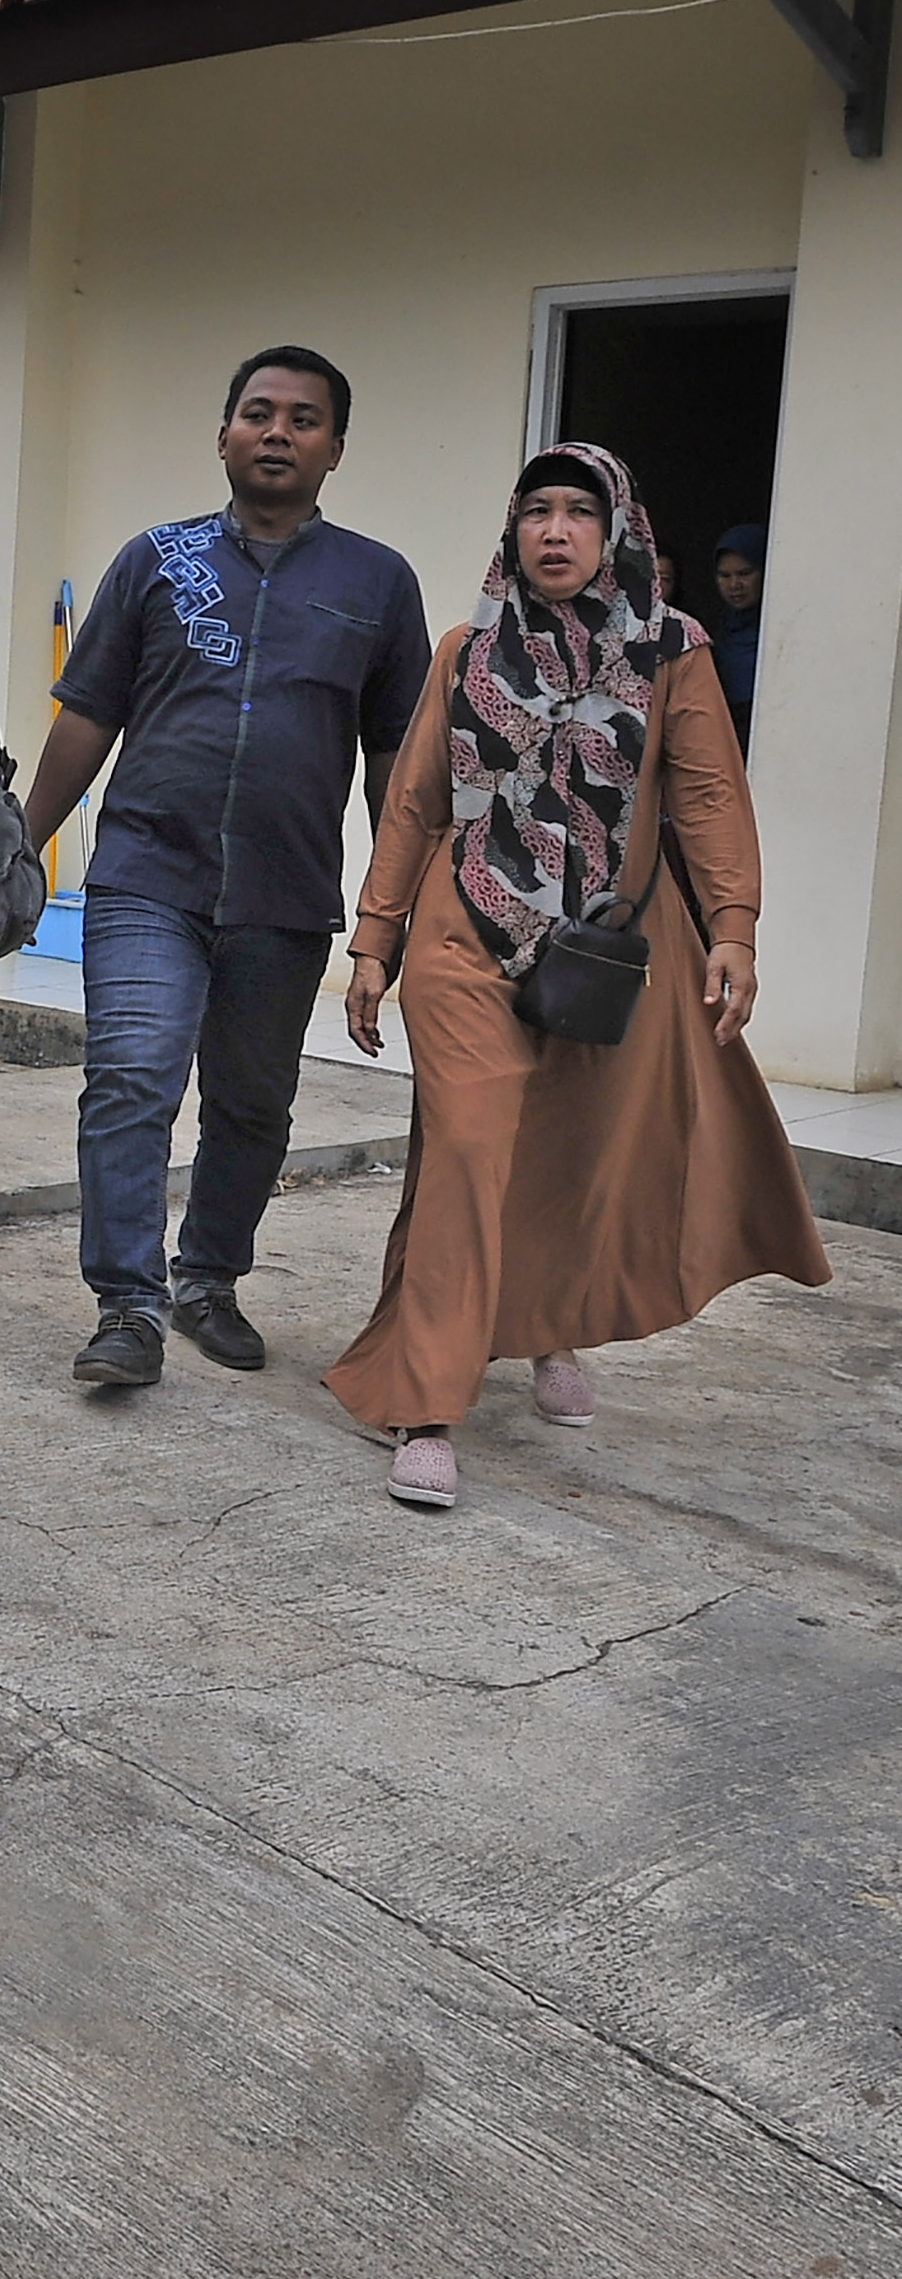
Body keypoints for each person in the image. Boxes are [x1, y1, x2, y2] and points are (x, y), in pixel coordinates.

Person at [328, 445, 826, 1506]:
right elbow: (415, 800)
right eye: (534, 511)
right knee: (467, 1147)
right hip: (461, 935)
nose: (553, 531)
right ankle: (426, 1402)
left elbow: (703, 797)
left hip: (602, 948)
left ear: (616, 531)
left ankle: (543, 1322)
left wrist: (730, 927)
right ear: (510, 530)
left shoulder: (669, 651)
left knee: (569, 1148)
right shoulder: (467, 650)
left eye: (576, 512)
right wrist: (373, 938)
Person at [18, 347, 430, 1389]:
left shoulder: (376, 582)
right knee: (130, 1080)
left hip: (283, 894)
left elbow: (395, 756)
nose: (277, 432)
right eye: (256, 413)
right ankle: (126, 1306)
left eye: (302, 418)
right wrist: (17, 841)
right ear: (222, 435)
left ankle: (206, 1279)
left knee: (250, 1105)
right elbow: (87, 716)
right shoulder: (154, 560)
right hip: (146, 876)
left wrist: (397, 907)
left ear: (335, 448)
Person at [708, 522, 764, 755]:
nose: (734, 585)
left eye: (744, 574)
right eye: (724, 575)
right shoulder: (713, 634)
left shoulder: (777, 631)